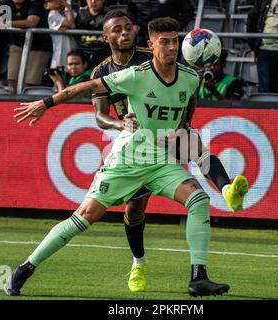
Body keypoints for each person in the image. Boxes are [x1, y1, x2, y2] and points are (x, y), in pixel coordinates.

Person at [8, 17, 249, 297]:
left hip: (160, 160)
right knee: (85, 216)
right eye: (164, 42)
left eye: (175, 41)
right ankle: (25, 268)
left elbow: (188, 105)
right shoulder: (135, 75)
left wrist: (181, 131)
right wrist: (45, 103)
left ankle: (199, 278)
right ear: (151, 45)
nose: (171, 48)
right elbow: (84, 88)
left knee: (198, 198)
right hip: (129, 157)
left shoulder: (190, 78)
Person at [91, 10, 245, 292]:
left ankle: (227, 191)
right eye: (117, 30)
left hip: (167, 132)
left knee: (194, 144)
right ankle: (139, 262)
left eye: (128, 28)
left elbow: (187, 86)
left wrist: (185, 124)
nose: (124, 33)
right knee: (135, 209)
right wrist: (118, 122)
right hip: (134, 144)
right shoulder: (101, 71)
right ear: (107, 37)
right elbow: (100, 116)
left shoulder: (154, 54)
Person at [0, 0, 53, 93]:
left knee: (29, 83)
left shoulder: (35, 3)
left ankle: (27, 104)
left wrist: (4, 24)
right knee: (12, 79)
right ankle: (12, 104)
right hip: (17, 44)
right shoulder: (5, 4)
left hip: (39, 46)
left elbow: (31, 23)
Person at [127, 0, 195, 47]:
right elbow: (130, 10)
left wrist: (175, 26)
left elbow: (188, 12)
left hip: (168, 36)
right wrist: (134, 24)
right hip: (143, 36)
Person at [74, 0, 111, 68]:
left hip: (104, 54)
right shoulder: (80, 14)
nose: (93, 1)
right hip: (83, 54)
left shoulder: (109, 15)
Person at [45, 0, 77, 68]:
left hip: (74, 52)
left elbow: (75, 25)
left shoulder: (68, 12)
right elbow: (71, 24)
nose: (57, 1)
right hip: (59, 54)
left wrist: (68, 9)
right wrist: (68, 7)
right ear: (46, 5)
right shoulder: (52, 14)